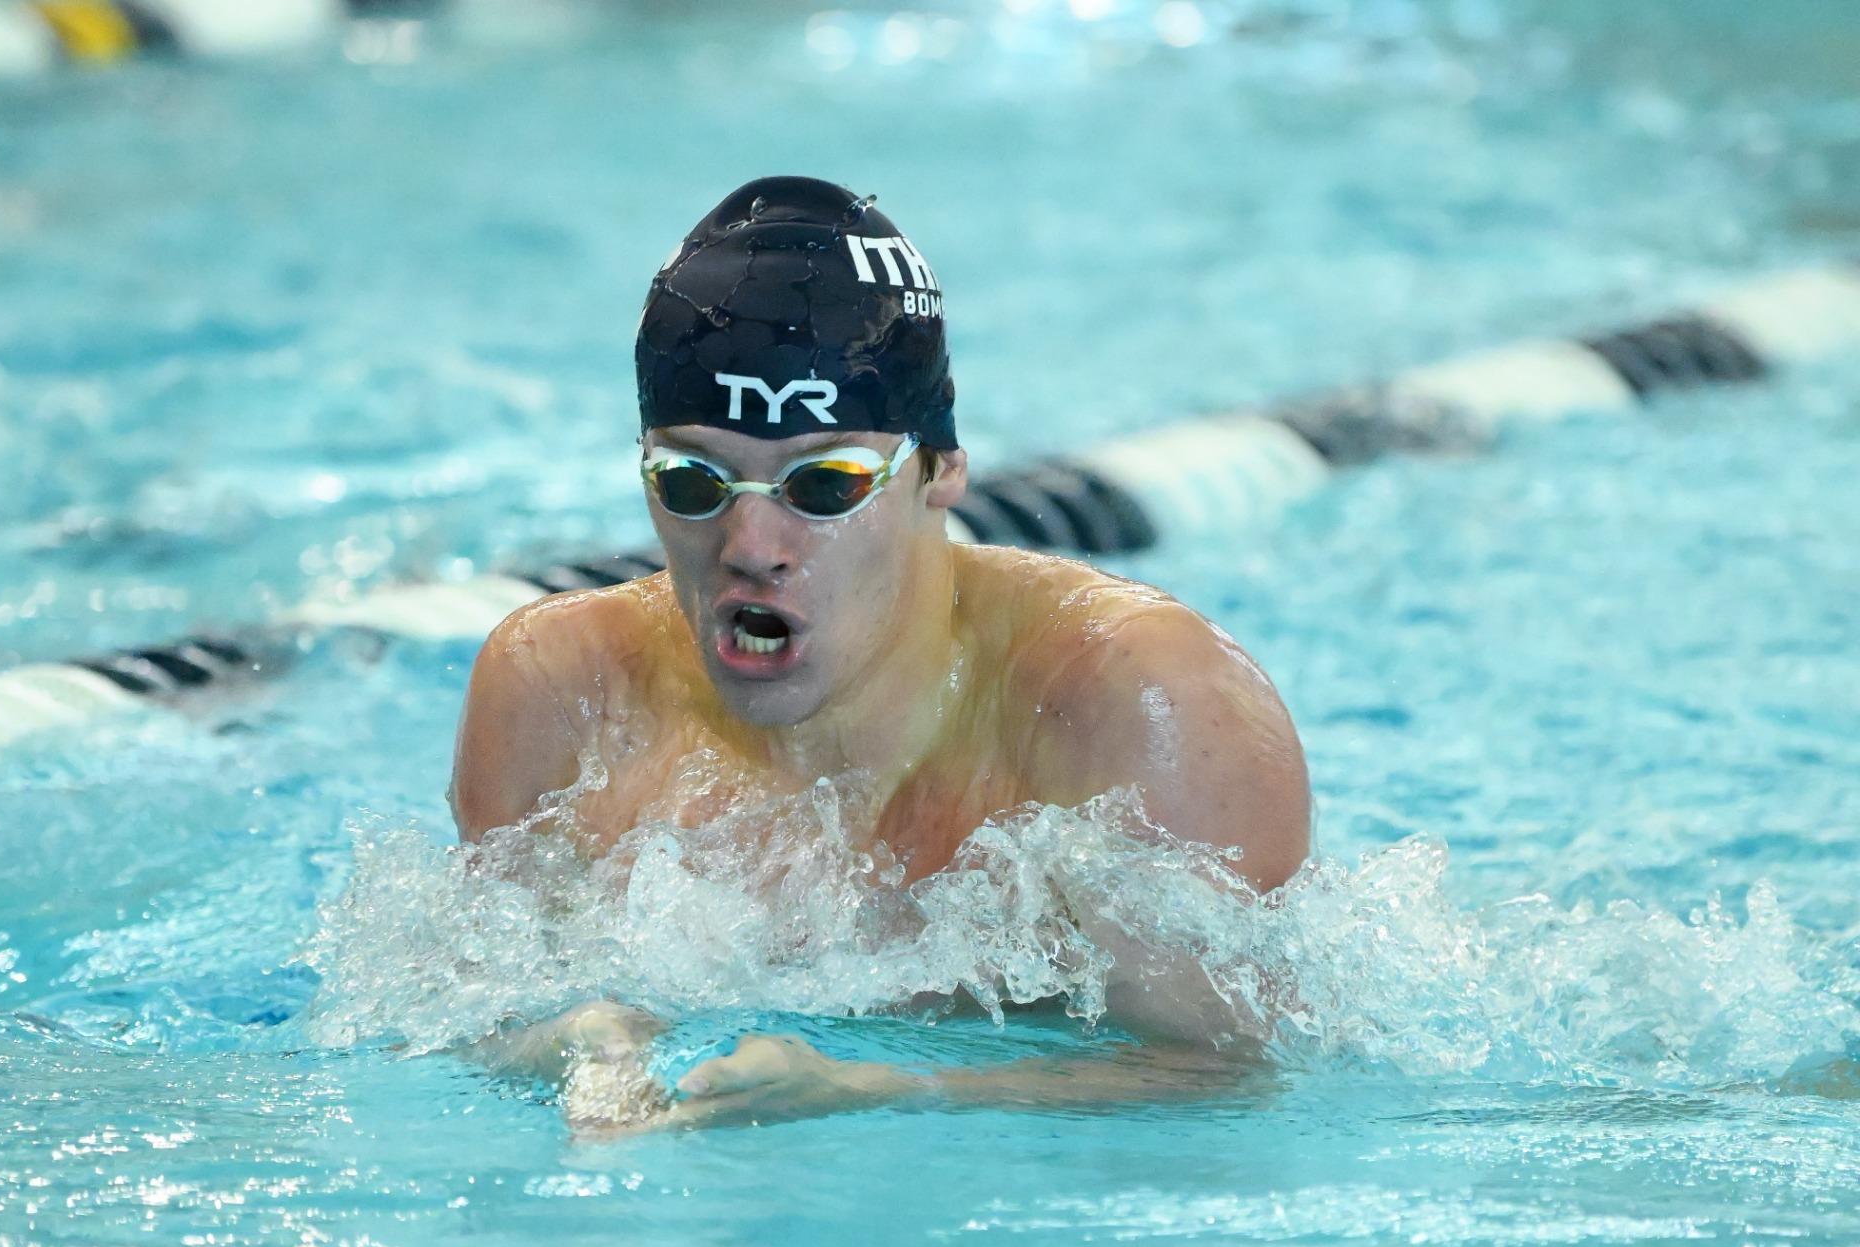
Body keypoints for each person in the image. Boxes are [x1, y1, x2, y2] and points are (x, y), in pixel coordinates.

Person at [448, 177, 1311, 1131]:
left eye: (824, 484)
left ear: (941, 470)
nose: (750, 545)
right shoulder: (562, 693)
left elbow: (1227, 1078)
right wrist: (562, 1042)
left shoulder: (1137, 702)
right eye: (693, 481)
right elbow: (461, 1013)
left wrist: (886, 1092)